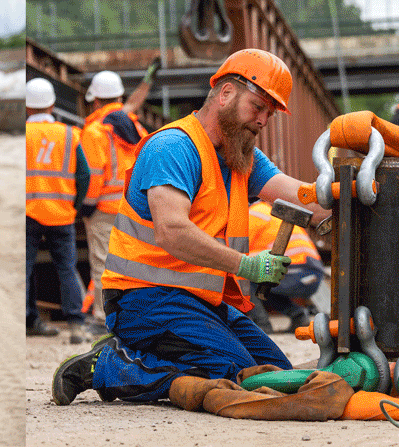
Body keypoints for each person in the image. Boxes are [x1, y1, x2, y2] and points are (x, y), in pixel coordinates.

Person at [51, 48, 331, 405]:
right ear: (226, 93)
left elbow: (299, 195)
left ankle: (145, 356)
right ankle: (109, 365)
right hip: (143, 297)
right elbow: (173, 231)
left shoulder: (239, 155)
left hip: (197, 300)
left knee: (275, 374)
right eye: (258, 107)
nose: (263, 120)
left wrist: (347, 191)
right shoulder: (174, 147)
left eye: (270, 113)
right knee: (234, 375)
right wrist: (246, 265)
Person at [21, 77, 95, 338]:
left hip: (28, 212)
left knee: (25, 268)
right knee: (66, 267)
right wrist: (74, 206)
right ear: (52, 104)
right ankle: (76, 323)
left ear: (27, 107)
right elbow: (84, 175)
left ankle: (30, 322)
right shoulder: (69, 134)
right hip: (61, 213)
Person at [79, 70, 149, 328]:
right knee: (133, 266)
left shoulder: (95, 131)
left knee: (102, 265)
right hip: (133, 207)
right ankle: (135, 318)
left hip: (104, 209)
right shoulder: (136, 127)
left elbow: (93, 175)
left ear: (95, 100)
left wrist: (86, 206)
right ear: (119, 96)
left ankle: (101, 318)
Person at [243, 199, 324, 333]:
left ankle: (261, 325)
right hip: (313, 272)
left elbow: (239, 255)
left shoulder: (251, 215)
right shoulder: (266, 212)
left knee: (245, 275)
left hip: (296, 270)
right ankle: (298, 316)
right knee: (264, 284)